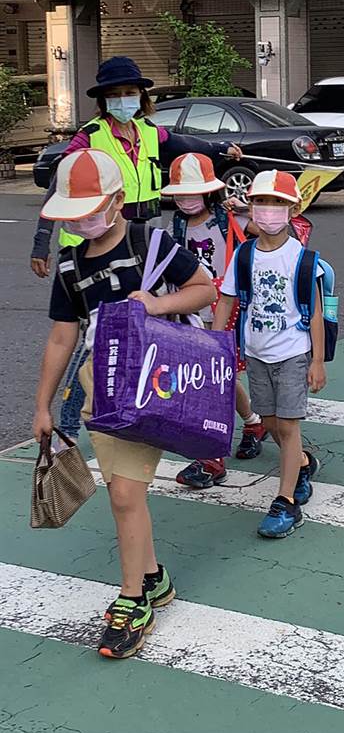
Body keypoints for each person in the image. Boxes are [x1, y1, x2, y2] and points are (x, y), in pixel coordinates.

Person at [32, 148, 215, 659]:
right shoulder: (70, 266)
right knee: (124, 494)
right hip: (106, 385)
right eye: (74, 212)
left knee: (124, 496)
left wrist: (157, 303)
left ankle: (133, 601)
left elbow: (204, 289)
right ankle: (150, 582)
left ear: (116, 201)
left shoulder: (150, 242)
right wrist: (42, 405)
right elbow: (61, 338)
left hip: (160, 379)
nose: (83, 221)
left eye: (91, 208)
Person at [29, 56, 242, 444]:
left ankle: (163, 404)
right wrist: (42, 243)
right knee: (94, 333)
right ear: (104, 101)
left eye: (130, 93)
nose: (123, 100)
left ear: (141, 98)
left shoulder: (148, 131)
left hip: (137, 237)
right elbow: (60, 187)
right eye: (115, 95)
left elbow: (186, 143)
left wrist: (223, 148)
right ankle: (70, 427)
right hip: (91, 241)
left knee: (158, 326)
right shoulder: (90, 137)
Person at [214, 170, 326, 539]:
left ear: (292, 208)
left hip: (294, 354)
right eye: (262, 202)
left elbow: (316, 313)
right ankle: (304, 465)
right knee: (274, 424)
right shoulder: (244, 254)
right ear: (251, 205)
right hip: (258, 354)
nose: (269, 211)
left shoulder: (302, 259)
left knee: (289, 427)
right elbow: (228, 298)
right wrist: (217, 342)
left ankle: (286, 501)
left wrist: (317, 361)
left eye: (278, 203)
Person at [159, 151, 268, 487]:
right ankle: (252, 422)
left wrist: (245, 210)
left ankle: (212, 458)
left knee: (213, 379)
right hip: (191, 310)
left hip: (223, 309)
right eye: (181, 193)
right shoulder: (174, 224)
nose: (188, 199)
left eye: (194, 192)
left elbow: (266, 228)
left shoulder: (225, 218)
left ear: (209, 191)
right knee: (215, 378)